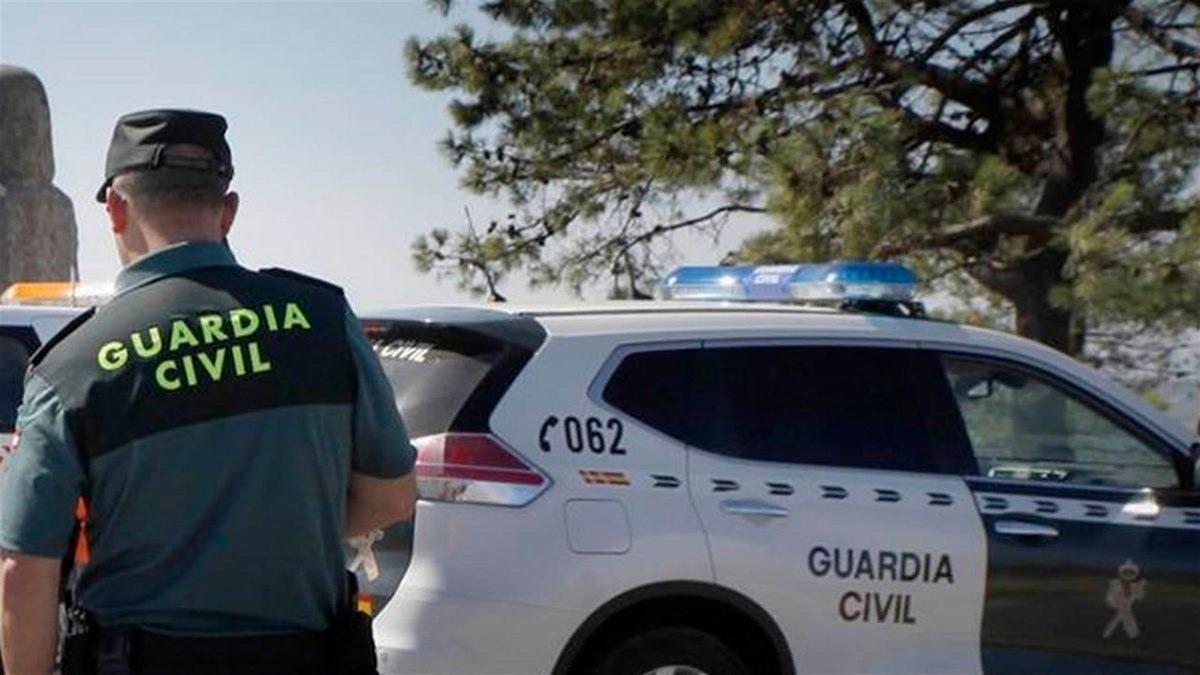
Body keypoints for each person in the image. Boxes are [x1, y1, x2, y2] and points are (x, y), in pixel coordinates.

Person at [0, 109, 416, 674]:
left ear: (116, 209)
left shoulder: (71, 364)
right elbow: (391, 497)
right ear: (228, 211)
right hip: (303, 656)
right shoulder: (323, 320)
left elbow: (24, 568)